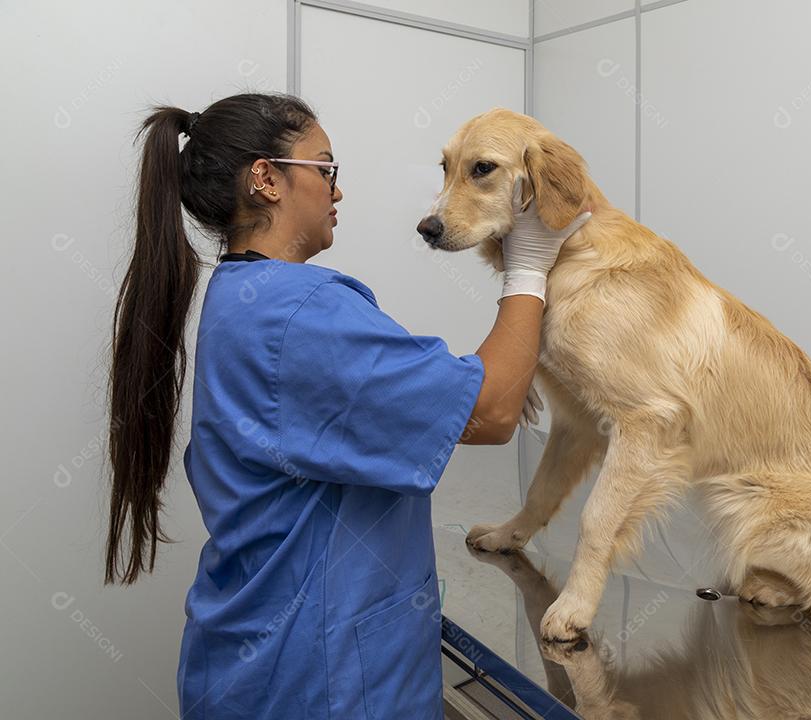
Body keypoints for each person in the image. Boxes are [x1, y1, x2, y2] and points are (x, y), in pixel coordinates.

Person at [103, 92, 590, 719]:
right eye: (325, 169)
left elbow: (423, 403)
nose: (338, 190)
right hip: (318, 679)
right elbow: (491, 414)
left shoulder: (244, 296)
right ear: (266, 179)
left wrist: (483, 379)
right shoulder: (299, 314)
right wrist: (529, 269)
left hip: (257, 658)